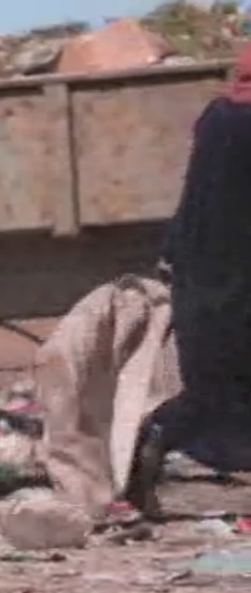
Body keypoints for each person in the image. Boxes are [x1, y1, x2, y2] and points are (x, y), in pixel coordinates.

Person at [123, 42, 251, 517]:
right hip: (235, 285)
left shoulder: (218, 115)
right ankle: (151, 443)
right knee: (224, 393)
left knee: (218, 390)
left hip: (206, 279)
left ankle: (147, 450)